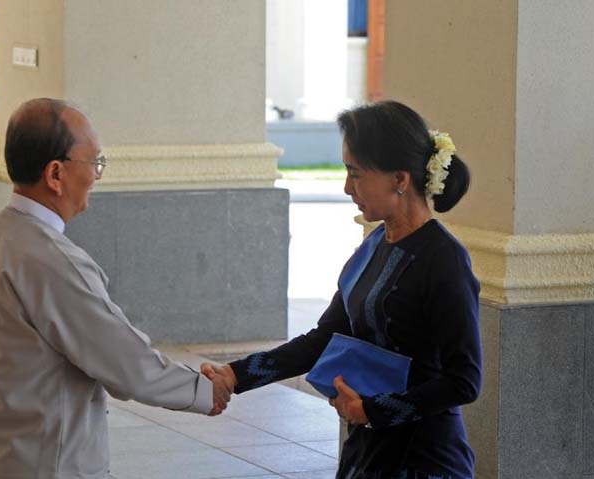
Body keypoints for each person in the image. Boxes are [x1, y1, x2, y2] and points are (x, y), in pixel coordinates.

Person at [0, 98, 230, 478]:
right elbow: (125, 362)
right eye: (94, 162)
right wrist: (203, 390)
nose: (96, 175)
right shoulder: (53, 260)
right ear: (55, 173)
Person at [203, 101, 482, 479]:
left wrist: (372, 410)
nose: (347, 187)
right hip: (369, 453)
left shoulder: (444, 260)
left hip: (424, 459)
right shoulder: (374, 246)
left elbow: (463, 381)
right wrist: (236, 376)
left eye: (356, 173)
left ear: (400, 180)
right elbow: (324, 338)